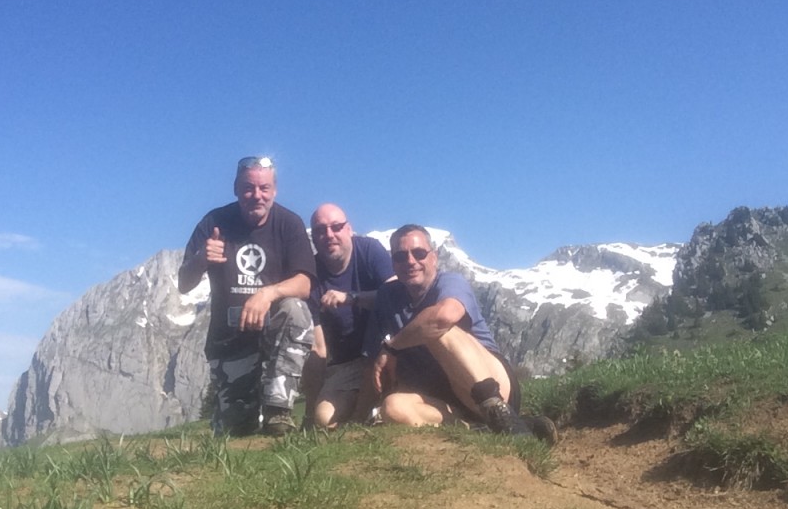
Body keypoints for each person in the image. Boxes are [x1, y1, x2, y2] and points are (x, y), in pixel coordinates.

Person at [369, 224, 557, 442]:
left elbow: (443, 317)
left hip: (491, 383)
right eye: (401, 256)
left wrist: (391, 347)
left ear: (434, 257)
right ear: (393, 263)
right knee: (393, 407)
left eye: (419, 253)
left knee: (438, 329)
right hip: (444, 400)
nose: (410, 261)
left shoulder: (450, 281)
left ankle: (501, 414)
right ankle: (481, 428)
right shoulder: (387, 297)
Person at [178, 156, 316, 436]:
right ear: (236, 189)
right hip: (230, 339)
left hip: (274, 334)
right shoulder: (214, 222)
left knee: (295, 308)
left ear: (274, 190)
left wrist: (268, 293)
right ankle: (234, 414)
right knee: (236, 431)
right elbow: (184, 284)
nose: (257, 195)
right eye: (248, 188)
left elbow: (304, 284)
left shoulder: (289, 224)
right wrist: (201, 259)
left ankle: (279, 411)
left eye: (264, 188)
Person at [302, 204, 395, 429]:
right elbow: (319, 347)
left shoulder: (370, 251)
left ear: (349, 229)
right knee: (324, 418)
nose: (329, 235)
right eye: (321, 230)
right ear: (314, 237)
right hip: (347, 366)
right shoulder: (311, 274)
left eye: (336, 227)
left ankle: (371, 406)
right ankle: (367, 407)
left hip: (388, 353)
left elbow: (396, 294)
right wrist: (310, 411)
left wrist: (351, 298)